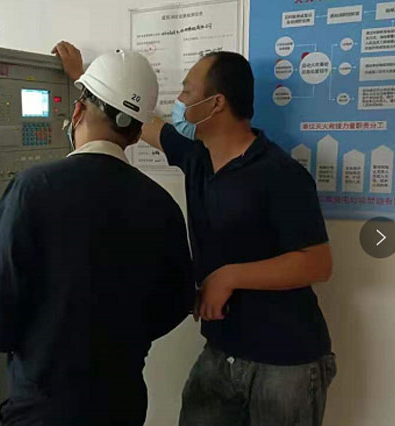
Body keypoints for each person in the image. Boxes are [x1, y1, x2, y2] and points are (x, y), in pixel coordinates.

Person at [57, 44, 336, 426]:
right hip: (222, 349)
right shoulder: (197, 158)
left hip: (285, 360)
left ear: (216, 103)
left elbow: (318, 263)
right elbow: (138, 120)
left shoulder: (279, 173)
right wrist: (85, 79)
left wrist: (229, 276)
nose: (180, 101)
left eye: (187, 91)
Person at [0, 43, 193, 426]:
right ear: (136, 135)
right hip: (121, 403)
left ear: (77, 112)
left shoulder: (33, 189)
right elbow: (176, 301)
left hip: (42, 406)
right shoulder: (160, 204)